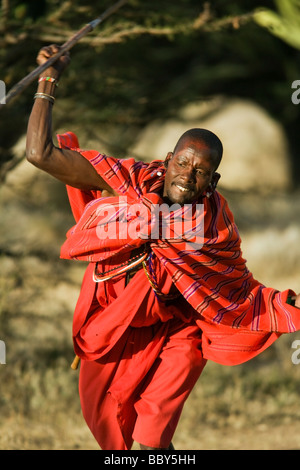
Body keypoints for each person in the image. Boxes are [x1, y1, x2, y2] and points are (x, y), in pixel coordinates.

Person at [26, 45, 300, 451]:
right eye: (183, 164)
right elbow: (39, 154)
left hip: (180, 328)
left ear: (214, 181)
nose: (188, 177)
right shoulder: (129, 181)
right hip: (117, 325)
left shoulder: (213, 226)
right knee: (106, 423)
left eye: (202, 172)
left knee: (153, 436)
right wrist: (48, 80)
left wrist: (287, 307)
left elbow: (239, 288)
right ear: (169, 159)